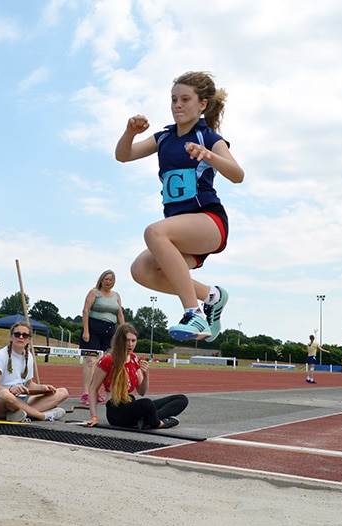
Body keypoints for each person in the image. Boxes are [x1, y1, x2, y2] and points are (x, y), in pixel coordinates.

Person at [115, 71, 244, 342]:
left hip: (208, 220)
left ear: (203, 105)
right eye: (174, 99)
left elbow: (237, 174)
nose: (177, 105)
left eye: (185, 99)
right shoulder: (163, 137)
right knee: (141, 271)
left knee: (154, 232)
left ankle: (193, 313)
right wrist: (129, 133)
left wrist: (209, 155)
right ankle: (212, 296)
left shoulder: (208, 137)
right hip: (180, 232)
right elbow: (123, 156)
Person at [86, 323, 187, 430]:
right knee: (147, 404)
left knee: (181, 399)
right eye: (126, 340)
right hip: (116, 410)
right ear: (119, 340)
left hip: (131, 404)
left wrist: (146, 374)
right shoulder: (108, 360)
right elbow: (93, 389)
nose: (130, 344)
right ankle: (158, 423)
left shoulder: (134, 359)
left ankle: (145, 421)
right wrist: (94, 417)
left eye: (133, 341)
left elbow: (141, 392)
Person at [0, 322, 69, 422]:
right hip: (1, 402)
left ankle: (17, 414)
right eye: (17, 334)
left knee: (62, 392)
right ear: (11, 337)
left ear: (29, 339)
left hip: (23, 400)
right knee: (5, 394)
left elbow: (29, 385)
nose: (21, 337)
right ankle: (42, 416)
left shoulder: (29, 356)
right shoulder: (1, 355)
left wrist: (43, 387)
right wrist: (11, 388)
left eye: (25, 335)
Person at [79, 270, 125, 405]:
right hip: (93, 329)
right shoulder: (94, 292)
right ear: (101, 280)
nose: (108, 282)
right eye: (106, 279)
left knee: (107, 363)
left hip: (110, 331)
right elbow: (86, 310)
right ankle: (86, 393)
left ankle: (101, 392)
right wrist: (86, 331)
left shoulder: (116, 295)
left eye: (111, 280)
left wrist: (124, 331)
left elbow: (120, 314)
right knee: (91, 361)